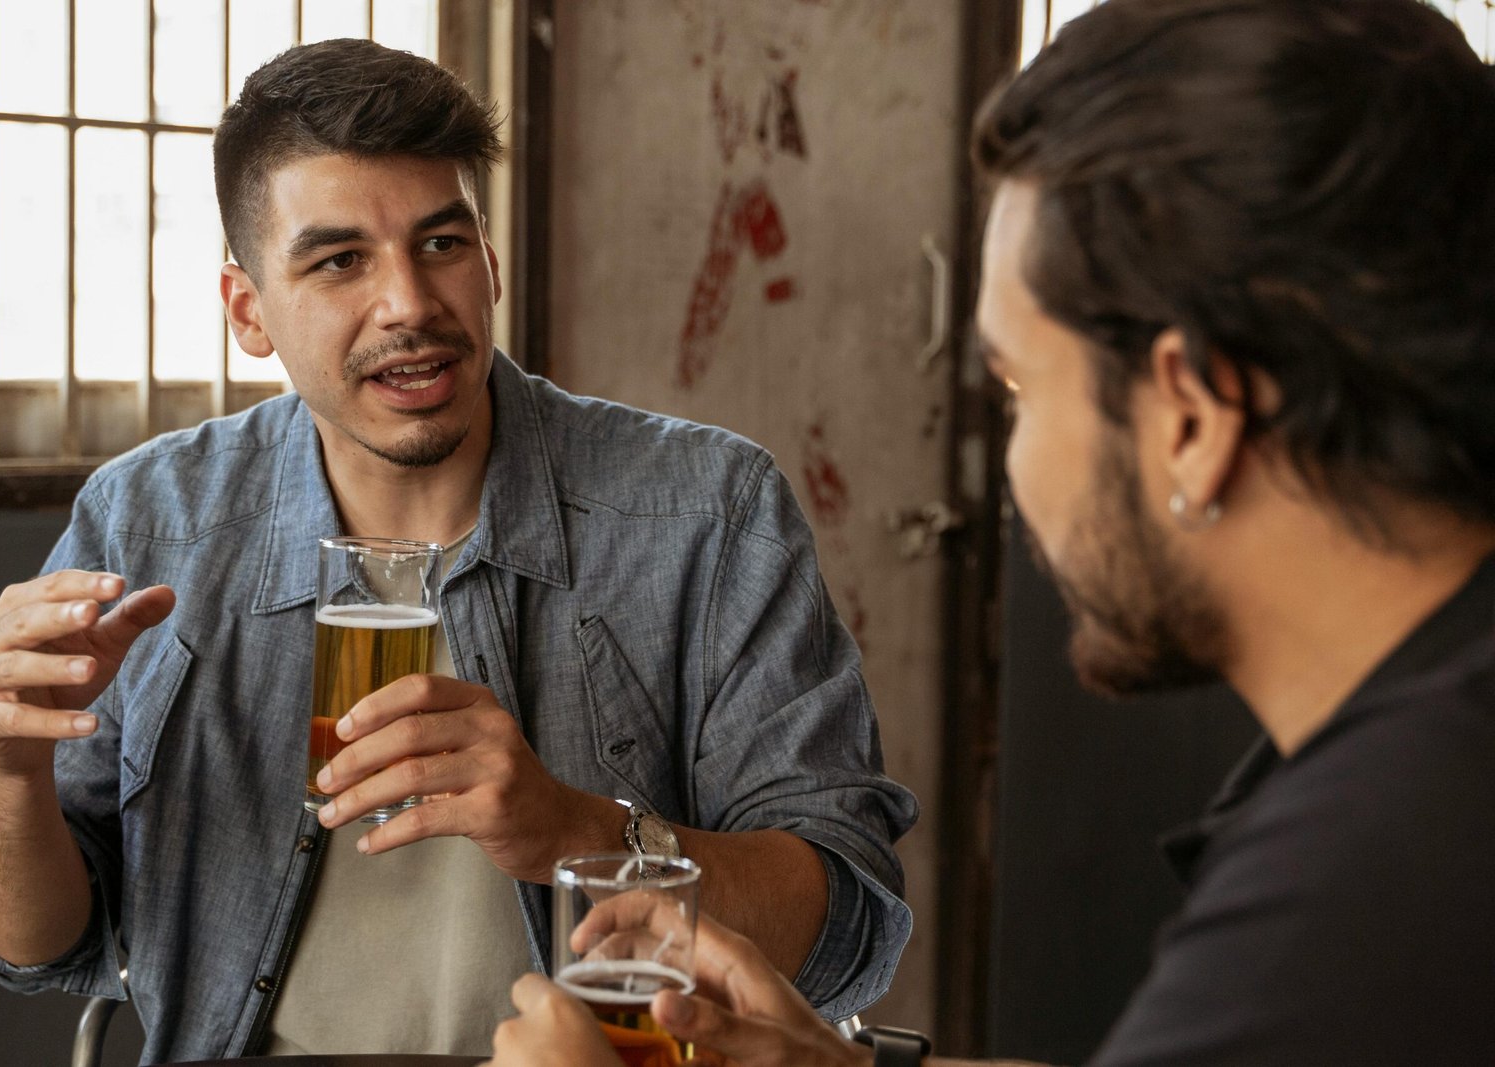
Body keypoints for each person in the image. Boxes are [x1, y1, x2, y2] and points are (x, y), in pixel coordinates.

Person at [487, 0, 1495, 1063]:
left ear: (1193, 418)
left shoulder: (1368, 883)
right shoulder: (1410, 760)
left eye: (1018, 385)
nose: (1015, 459)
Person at [0, 39, 917, 1064]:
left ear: (491, 260)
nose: (410, 305)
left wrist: (573, 827)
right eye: (339, 260)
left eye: (441, 243)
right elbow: (33, 941)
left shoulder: (707, 509)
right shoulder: (149, 518)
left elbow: (846, 927)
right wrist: (6, 772)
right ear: (248, 309)